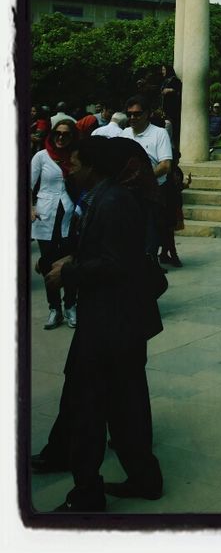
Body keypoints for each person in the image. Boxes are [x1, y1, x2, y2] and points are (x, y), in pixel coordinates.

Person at [35, 135, 164, 512]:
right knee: (125, 407)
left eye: (74, 163)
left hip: (110, 323)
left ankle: (88, 493)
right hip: (113, 322)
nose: (69, 169)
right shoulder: (105, 198)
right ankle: (145, 479)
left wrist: (70, 272)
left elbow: (116, 265)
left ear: (91, 166)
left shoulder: (112, 202)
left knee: (90, 407)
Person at [31, 120, 79, 330]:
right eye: (57, 134)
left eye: (66, 135)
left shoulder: (76, 157)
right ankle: (54, 309)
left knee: (69, 264)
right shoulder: (41, 156)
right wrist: (30, 208)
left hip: (70, 216)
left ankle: (70, 305)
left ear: (72, 137)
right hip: (46, 216)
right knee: (49, 264)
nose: (61, 138)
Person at [120, 94, 173, 254]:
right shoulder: (124, 134)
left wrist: (141, 178)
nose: (132, 117)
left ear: (147, 113)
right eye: (129, 114)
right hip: (129, 192)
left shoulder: (159, 133)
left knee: (151, 231)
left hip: (152, 192)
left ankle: (151, 264)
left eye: (137, 114)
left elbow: (165, 165)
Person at [160, 62, 183, 151]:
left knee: (174, 131)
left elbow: (179, 90)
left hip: (173, 109)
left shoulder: (175, 80)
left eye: (164, 70)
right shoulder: (165, 81)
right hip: (165, 109)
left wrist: (170, 90)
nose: (162, 72)